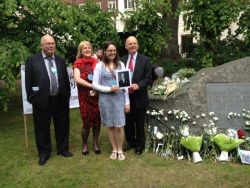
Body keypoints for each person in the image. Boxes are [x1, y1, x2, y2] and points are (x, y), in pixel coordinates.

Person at [25, 34, 73, 166]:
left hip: (60, 100)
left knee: (62, 126)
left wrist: (67, 95)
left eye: (53, 43)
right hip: (42, 100)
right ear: (41, 45)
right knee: (42, 128)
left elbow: (65, 80)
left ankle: (62, 149)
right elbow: (28, 82)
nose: (51, 46)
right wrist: (33, 98)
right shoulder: (32, 60)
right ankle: (44, 153)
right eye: (48, 44)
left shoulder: (60, 60)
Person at [93, 41, 130, 160]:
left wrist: (127, 102)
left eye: (114, 50)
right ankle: (114, 149)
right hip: (105, 99)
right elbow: (95, 85)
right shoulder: (99, 65)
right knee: (111, 126)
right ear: (104, 52)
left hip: (119, 98)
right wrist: (109, 89)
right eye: (109, 50)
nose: (112, 52)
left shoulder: (121, 65)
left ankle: (120, 149)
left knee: (119, 125)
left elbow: (125, 86)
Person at [121, 36, 152, 155]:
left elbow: (148, 79)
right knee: (128, 122)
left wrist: (138, 85)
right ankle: (131, 143)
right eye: (130, 44)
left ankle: (140, 145)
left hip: (139, 96)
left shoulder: (145, 60)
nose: (133, 45)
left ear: (137, 45)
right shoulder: (122, 60)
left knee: (139, 123)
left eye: (135, 43)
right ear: (126, 46)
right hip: (126, 97)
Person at [73, 41, 101, 155]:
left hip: (97, 96)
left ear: (92, 50)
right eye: (85, 48)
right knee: (86, 122)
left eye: (89, 48)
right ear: (81, 51)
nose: (87, 50)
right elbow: (77, 79)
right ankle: (84, 143)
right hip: (84, 97)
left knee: (97, 121)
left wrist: (99, 88)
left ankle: (95, 143)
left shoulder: (97, 62)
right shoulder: (77, 63)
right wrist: (92, 86)